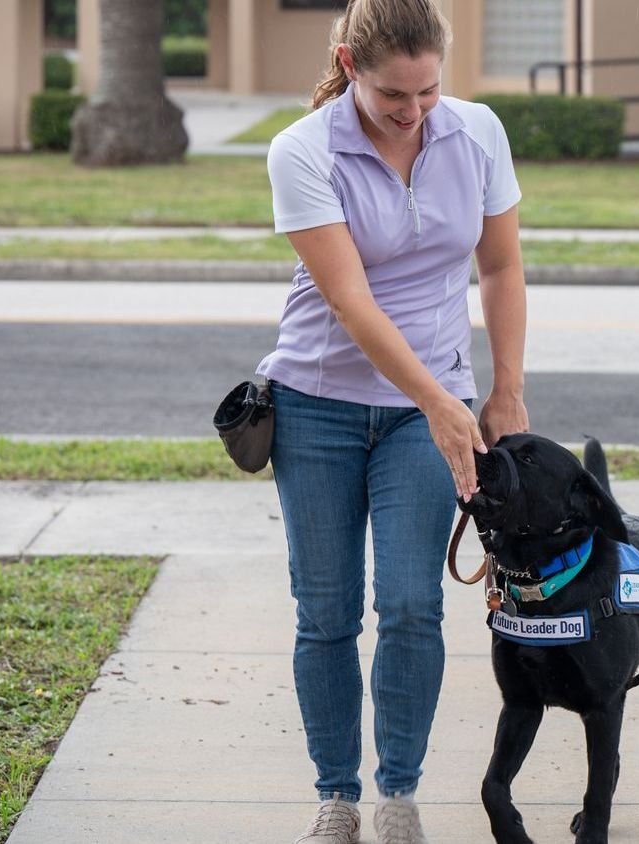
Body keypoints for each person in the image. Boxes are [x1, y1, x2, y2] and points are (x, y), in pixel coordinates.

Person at [256, 0, 529, 841]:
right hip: (318, 406)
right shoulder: (302, 151)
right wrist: (442, 404)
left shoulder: (476, 134)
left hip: (428, 412)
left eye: (428, 93)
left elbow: (502, 264)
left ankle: (398, 795)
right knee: (327, 611)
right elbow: (350, 301)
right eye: (391, 98)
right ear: (348, 63)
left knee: (413, 605)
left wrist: (505, 389)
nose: (413, 112)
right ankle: (336, 798)